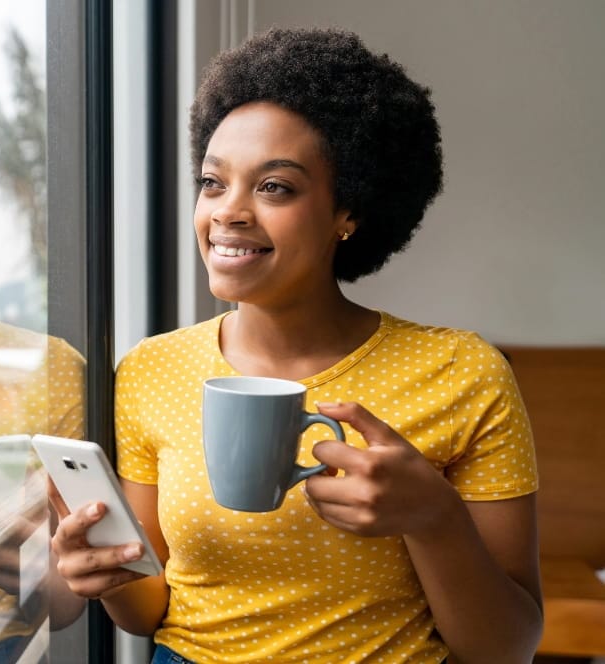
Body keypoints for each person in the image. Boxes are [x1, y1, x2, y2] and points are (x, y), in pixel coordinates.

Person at [49, 27, 542, 663]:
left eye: (274, 186)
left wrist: (434, 518)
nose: (228, 212)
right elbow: (151, 613)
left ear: (350, 212)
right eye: (212, 182)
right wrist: (105, 573)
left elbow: (507, 649)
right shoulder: (151, 369)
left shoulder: (463, 372)